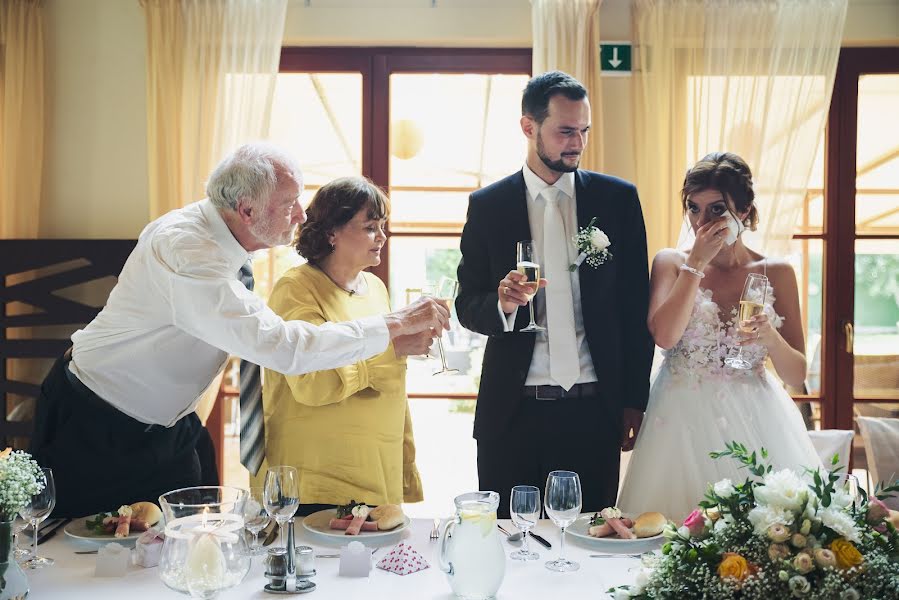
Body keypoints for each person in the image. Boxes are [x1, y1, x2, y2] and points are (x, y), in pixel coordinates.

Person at [30, 143, 449, 518]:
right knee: (84, 555)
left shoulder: (230, 243)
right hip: (95, 423)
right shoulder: (187, 250)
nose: (303, 216)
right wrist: (394, 325)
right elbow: (283, 348)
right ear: (247, 210)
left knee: (184, 553)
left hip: (172, 428)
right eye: (291, 204)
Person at [455, 71, 653, 517]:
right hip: (512, 413)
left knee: (590, 544)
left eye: (584, 130)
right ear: (529, 127)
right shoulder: (488, 206)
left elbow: (633, 307)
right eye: (565, 131)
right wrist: (502, 304)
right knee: (509, 546)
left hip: (594, 410)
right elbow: (467, 305)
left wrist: (633, 401)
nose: (578, 143)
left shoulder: (617, 200)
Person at [617, 151, 821, 521]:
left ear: (744, 212)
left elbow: (796, 375)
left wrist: (770, 337)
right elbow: (664, 336)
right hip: (681, 419)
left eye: (716, 210)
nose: (701, 222)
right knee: (672, 538)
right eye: (694, 209)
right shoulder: (670, 262)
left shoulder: (776, 271)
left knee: (762, 536)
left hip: (757, 418)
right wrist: (694, 264)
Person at [252, 177, 427, 515]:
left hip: (376, 475)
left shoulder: (375, 287)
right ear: (332, 232)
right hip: (318, 481)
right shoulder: (296, 288)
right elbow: (312, 383)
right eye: (370, 227)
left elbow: (393, 391)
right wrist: (394, 351)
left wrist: (403, 466)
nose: (382, 237)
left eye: (383, 226)